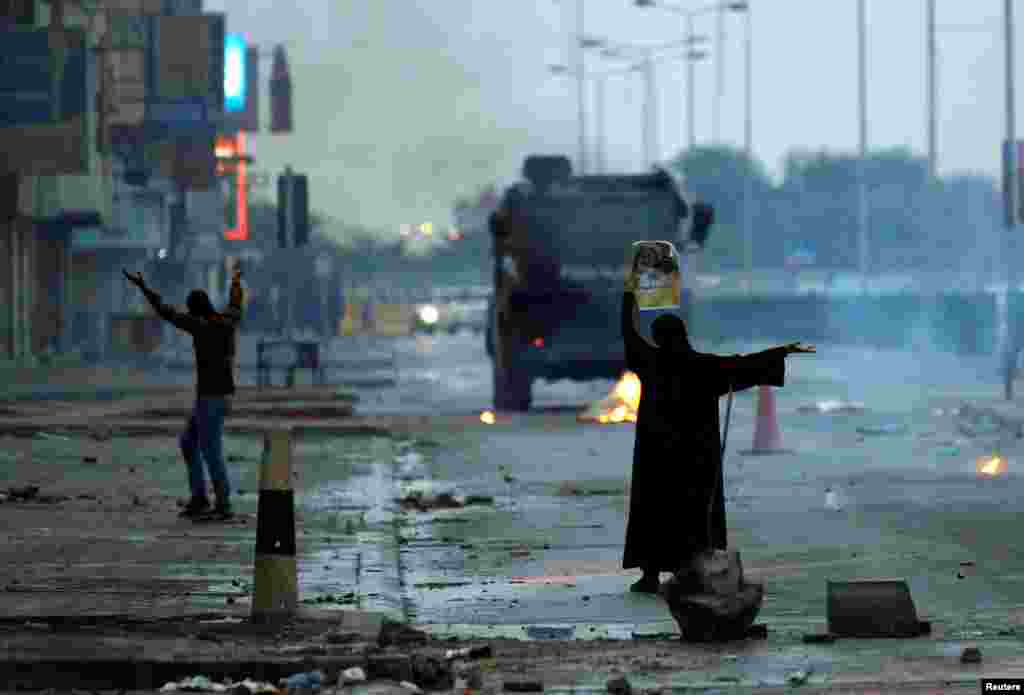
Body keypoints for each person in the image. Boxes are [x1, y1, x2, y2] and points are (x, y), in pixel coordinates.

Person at [621, 270, 815, 593]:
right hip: (695, 456)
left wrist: (630, 295)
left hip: (657, 456)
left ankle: (650, 574)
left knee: (653, 509)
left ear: (658, 338)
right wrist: (781, 353)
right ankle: (692, 569)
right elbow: (743, 366)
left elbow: (628, 332)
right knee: (695, 509)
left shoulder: (650, 362)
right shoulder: (705, 367)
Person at [123, 266, 245, 521]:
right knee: (190, 443)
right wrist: (235, 282)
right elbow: (236, 305)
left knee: (211, 451)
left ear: (194, 310)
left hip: (210, 398)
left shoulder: (199, 326)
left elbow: (166, 312)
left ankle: (223, 505)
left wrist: (144, 288)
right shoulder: (226, 321)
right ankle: (200, 499)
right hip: (218, 397)